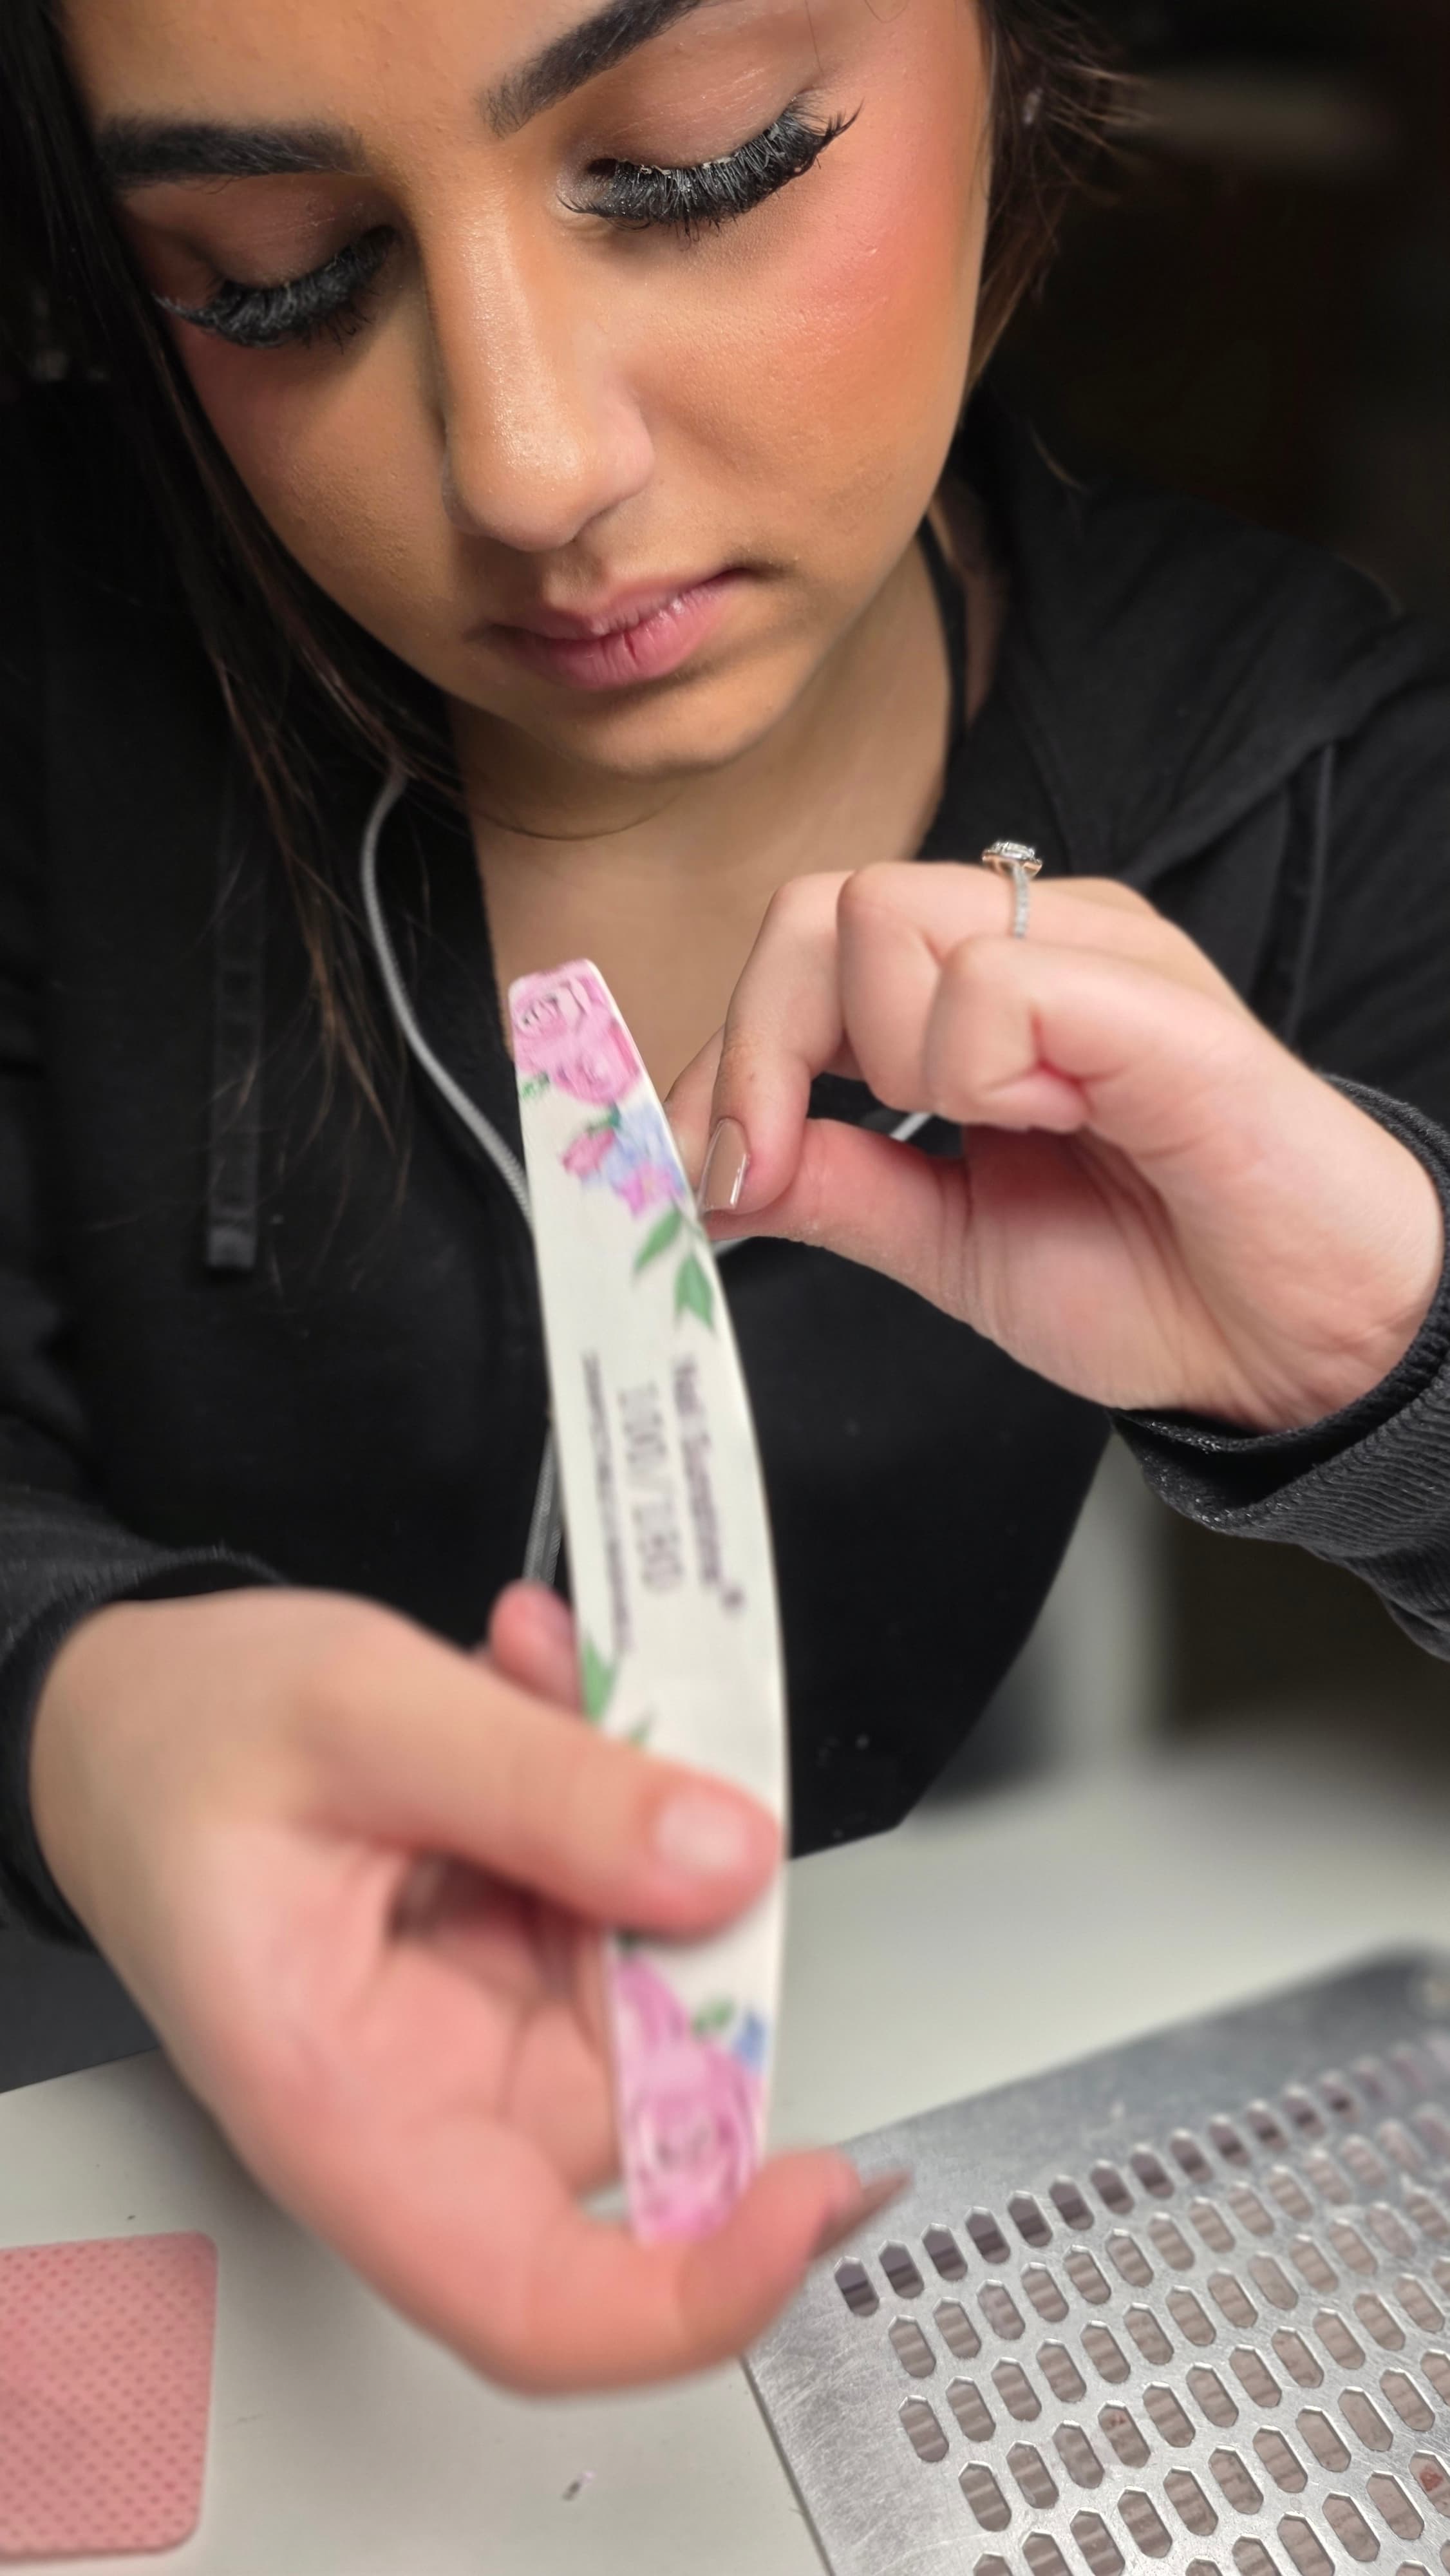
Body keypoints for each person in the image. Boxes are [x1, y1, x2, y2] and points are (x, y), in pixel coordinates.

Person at [2, 0, 1448, 2398]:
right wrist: (78, 1698)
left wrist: (1400, 1362)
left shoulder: (1295, 763)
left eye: (694, 167)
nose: (533, 465)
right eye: (270, 275)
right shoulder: (58, 655)